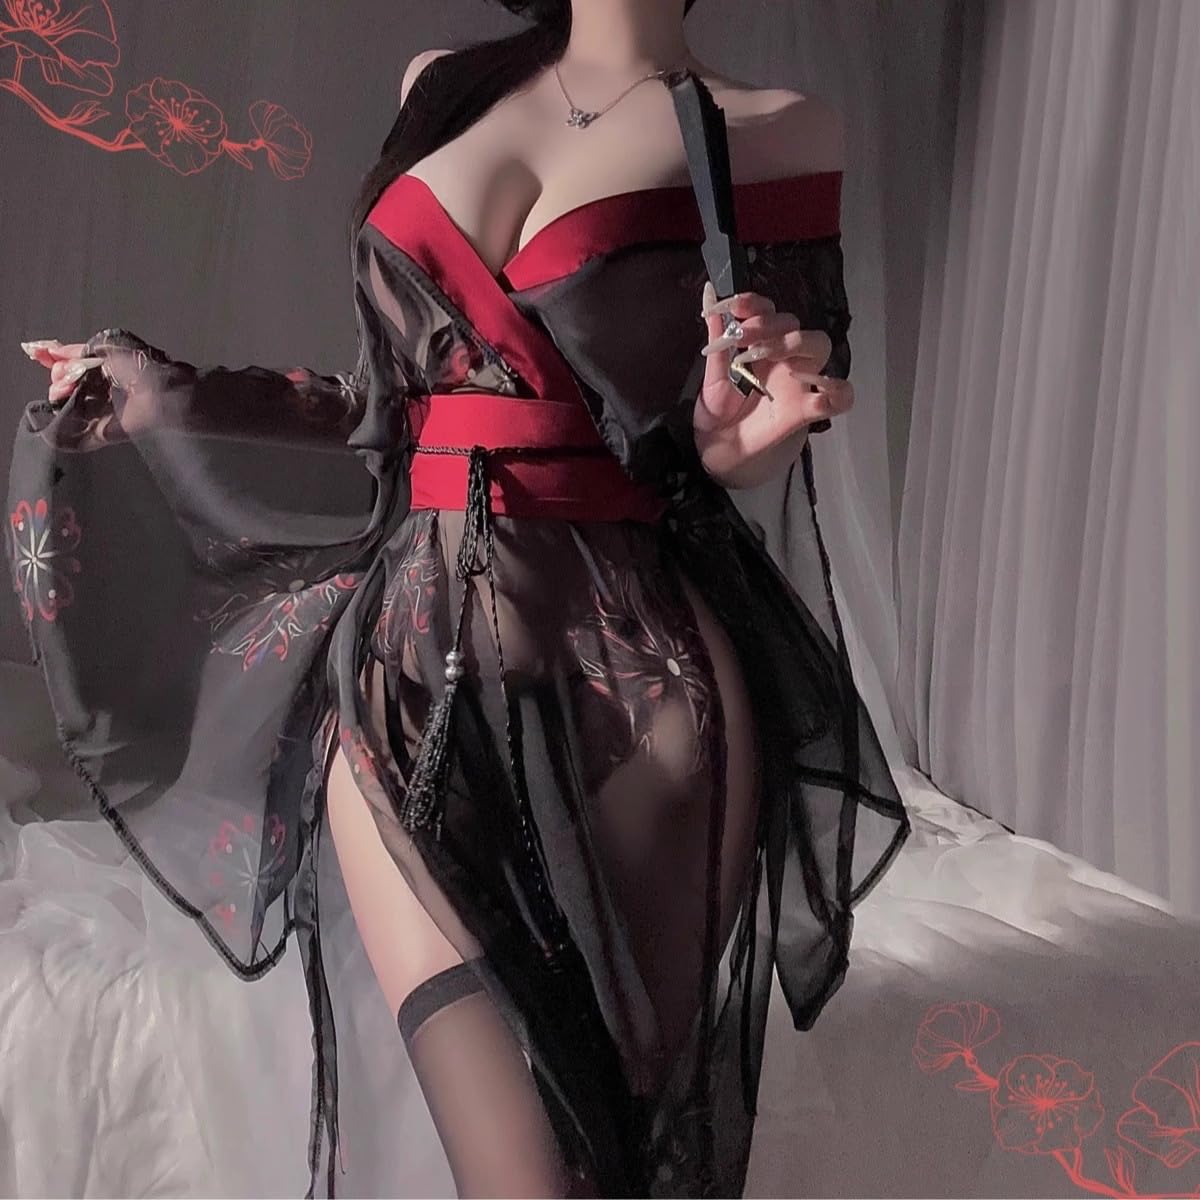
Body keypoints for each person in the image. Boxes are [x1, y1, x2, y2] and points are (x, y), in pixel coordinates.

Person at [12, 0, 910, 1195]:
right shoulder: (444, 86)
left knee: (617, 1166)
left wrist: (737, 432)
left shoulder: (774, 131)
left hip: (648, 693)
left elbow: (739, 433)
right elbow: (393, 406)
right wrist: (158, 393)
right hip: (412, 683)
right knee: (518, 1173)